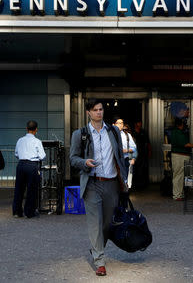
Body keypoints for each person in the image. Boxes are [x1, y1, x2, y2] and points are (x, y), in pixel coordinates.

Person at [70, 99, 127, 277]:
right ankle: (100, 261)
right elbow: (73, 158)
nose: (99, 113)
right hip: (92, 183)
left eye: (101, 109)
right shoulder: (80, 134)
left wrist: (123, 178)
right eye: (95, 110)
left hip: (111, 183)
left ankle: (96, 248)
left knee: (107, 223)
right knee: (94, 223)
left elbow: (118, 154)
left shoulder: (113, 131)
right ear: (88, 112)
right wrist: (84, 162)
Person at [13, 120, 46, 218]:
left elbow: (16, 154)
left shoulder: (20, 140)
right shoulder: (37, 141)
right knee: (32, 189)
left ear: (26, 129)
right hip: (32, 165)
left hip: (21, 164)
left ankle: (17, 211)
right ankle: (29, 212)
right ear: (36, 129)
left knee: (19, 188)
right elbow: (43, 156)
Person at [170, 118, 193, 201]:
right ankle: (177, 195)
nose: (185, 126)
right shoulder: (177, 132)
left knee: (179, 176)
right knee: (178, 176)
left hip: (179, 156)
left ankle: (180, 194)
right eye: (184, 124)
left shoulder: (176, 132)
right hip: (179, 156)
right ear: (180, 125)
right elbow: (186, 144)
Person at [113, 118, 138, 183]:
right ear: (113, 124)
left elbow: (134, 148)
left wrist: (127, 151)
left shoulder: (127, 135)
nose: (121, 125)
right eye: (118, 123)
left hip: (125, 160)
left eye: (122, 123)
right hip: (114, 161)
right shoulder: (110, 135)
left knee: (126, 180)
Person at [133, 120, 151, 189]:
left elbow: (148, 142)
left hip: (143, 153)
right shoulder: (132, 132)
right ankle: (136, 185)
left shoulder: (143, 132)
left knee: (143, 168)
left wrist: (149, 151)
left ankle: (143, 185)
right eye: (138, 123)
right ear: (135, 124)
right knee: (136, 169)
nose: (140, 124)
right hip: (135, 153)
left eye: (140, 123)